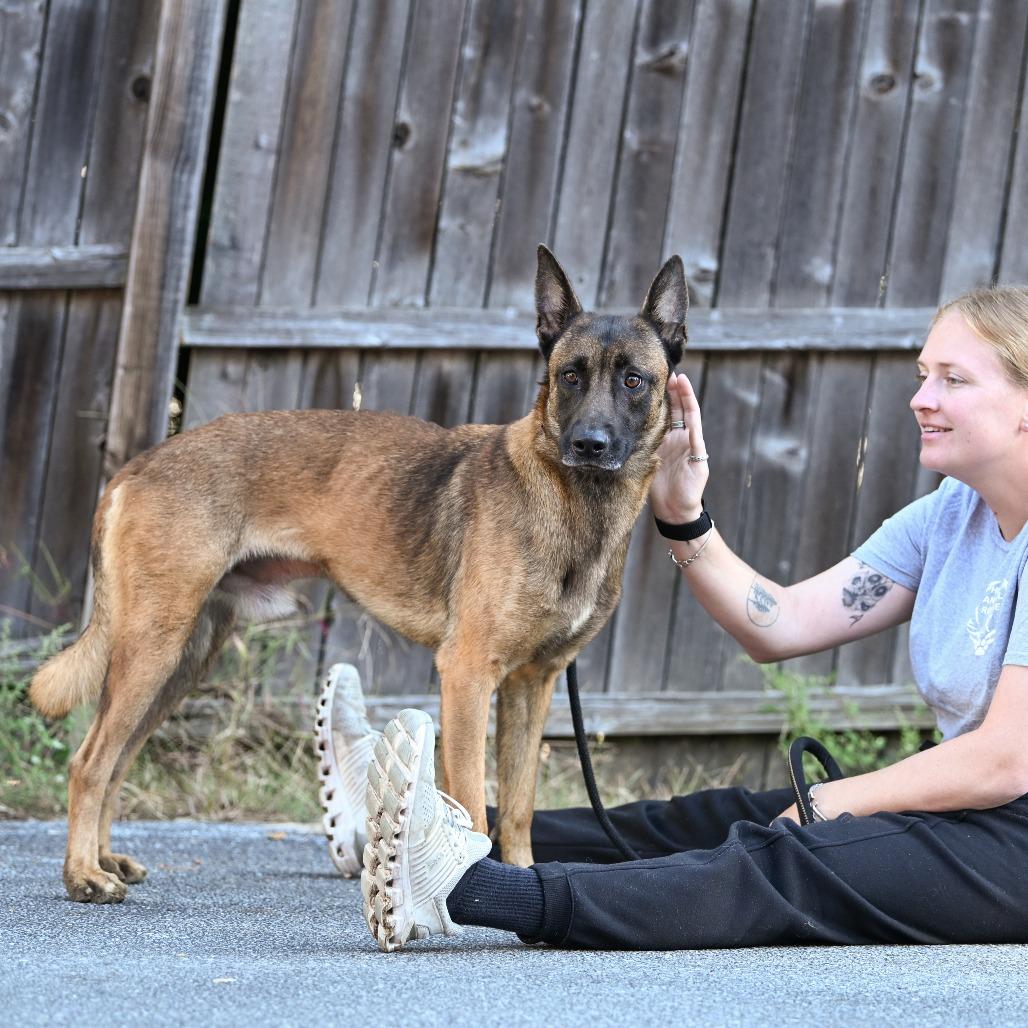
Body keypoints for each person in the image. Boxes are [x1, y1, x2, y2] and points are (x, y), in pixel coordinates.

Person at [342, 286, 1028, 951]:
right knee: (708, 818)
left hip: (1014, 842)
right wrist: (681, 512)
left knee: (785, 860)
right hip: (971, 807)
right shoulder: (950, 515)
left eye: (953, 380)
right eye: (922, 374)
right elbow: (780, 623)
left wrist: (835, 801)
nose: (920, 397)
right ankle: (409, 831)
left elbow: (1005, 760)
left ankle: (475, 893)